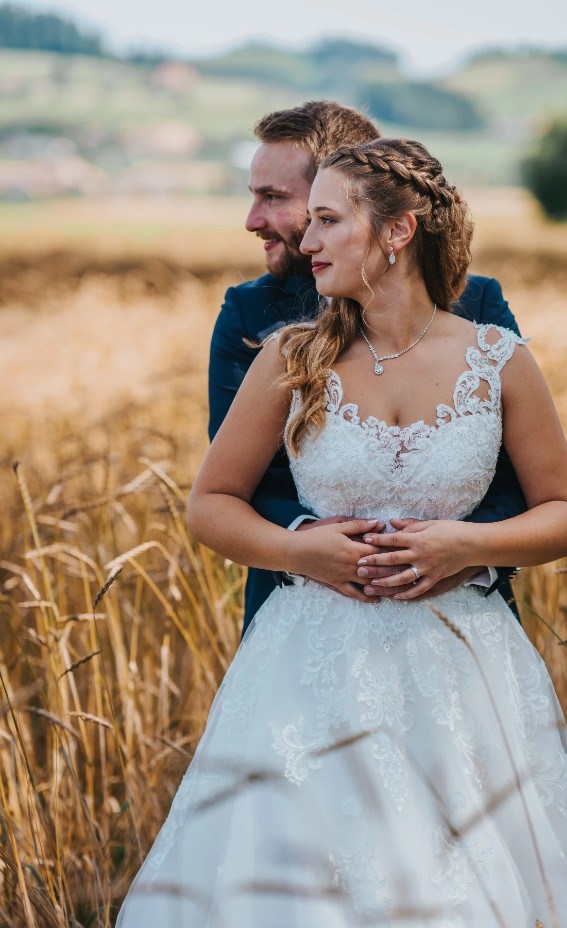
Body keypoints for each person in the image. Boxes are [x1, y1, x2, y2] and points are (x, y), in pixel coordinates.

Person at [71, 138, 567, 928]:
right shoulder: (291, 354)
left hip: (459, 668)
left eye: (327, 219)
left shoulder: (498, 360)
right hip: (306, 667)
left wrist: (466, 546)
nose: (303, 239)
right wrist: (299, 552)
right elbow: (210, 503)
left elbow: (565, 512)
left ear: (395, 231)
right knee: (299, 888)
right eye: (306, 217)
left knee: (465, 886)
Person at [209, 100, 526, 633]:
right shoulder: (251, 317)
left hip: (458, 620)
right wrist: (305, 543)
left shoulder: (477, 312)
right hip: (303, 612)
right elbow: (230, 480)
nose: (252, 220)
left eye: (274, 198)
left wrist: (469, 552)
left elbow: (528, 475)